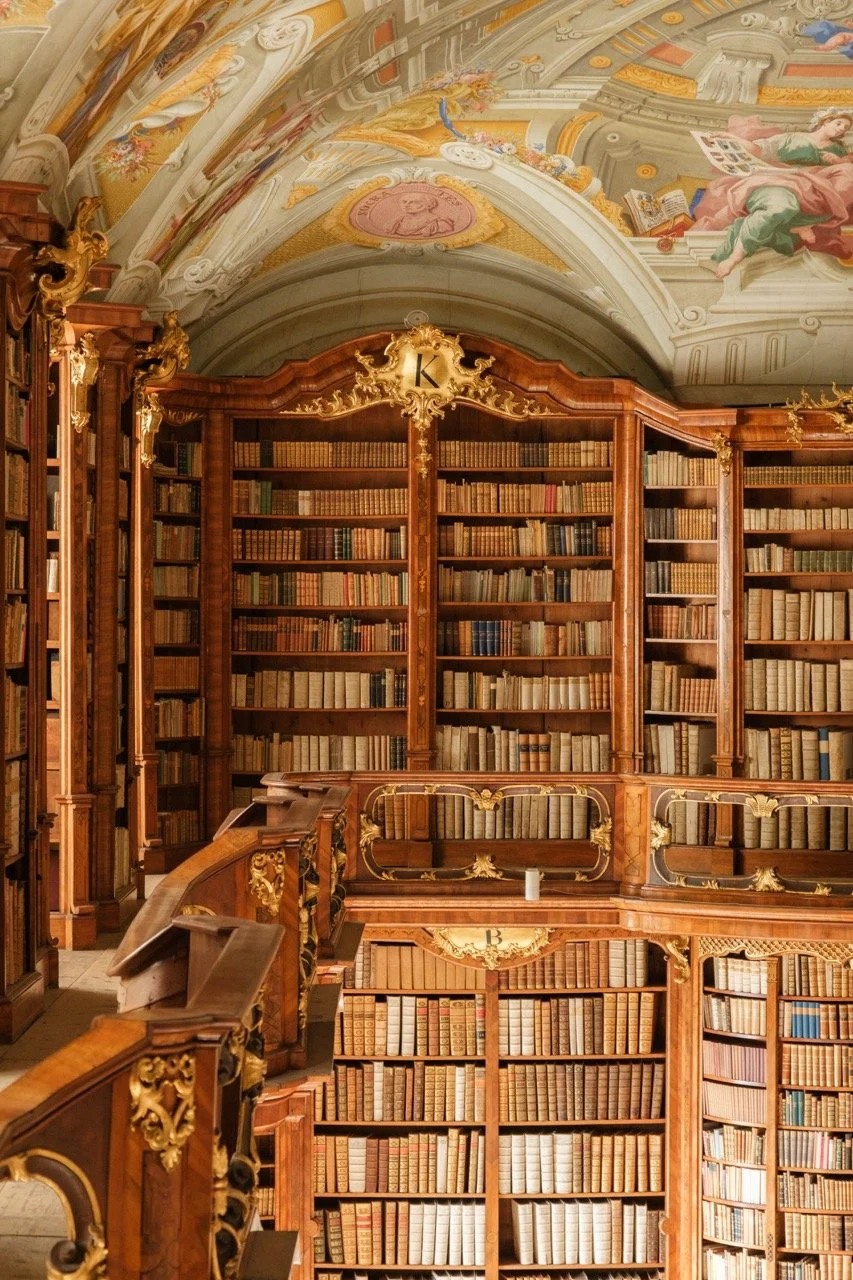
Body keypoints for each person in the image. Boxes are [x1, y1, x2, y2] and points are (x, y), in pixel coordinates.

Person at [692, 108, 853, 277]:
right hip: (784, 180)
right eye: (839, 123)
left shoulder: (839, 150)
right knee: (780, 206)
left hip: (818, 188)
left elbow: (845, 177)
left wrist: (838, 161)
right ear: (826, 122)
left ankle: (806, 223)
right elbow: (761, 150)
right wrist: (733, 139)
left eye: (846, 128)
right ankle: (735, 256)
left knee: (848, 172)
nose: (842, 129)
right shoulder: (793, 138)